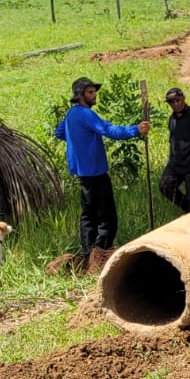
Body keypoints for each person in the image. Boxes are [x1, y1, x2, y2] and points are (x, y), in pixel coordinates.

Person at [53, 76, 149, 261]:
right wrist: (136, 130)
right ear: (80, 95)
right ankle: (101, 253)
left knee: (89, 214)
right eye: (90, 92)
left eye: (94, 91)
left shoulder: (71, 114)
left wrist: (79, 143)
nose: (94, 95)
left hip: (83, 172)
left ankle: (89, 252)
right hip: (95, 171)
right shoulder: (86, 114)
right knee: (107, 216)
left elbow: (60, 133)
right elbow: (109, 130)